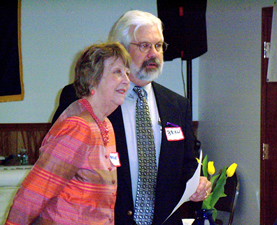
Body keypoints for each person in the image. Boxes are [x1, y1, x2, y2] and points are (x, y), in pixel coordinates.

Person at [52, 10, 211, 225]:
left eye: (158, 46)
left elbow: (188, 163)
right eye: (144, 46)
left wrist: (199, 184)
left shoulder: (177, 105)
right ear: (122, 51)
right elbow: (56, 165)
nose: (153, 54)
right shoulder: (85, 97)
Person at [5, 42, 131, 225]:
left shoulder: (106, 125)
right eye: (117, 72)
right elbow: (34, 193)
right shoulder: (79, 127)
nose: (127, 79)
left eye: (127, 72)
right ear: (93, 79)